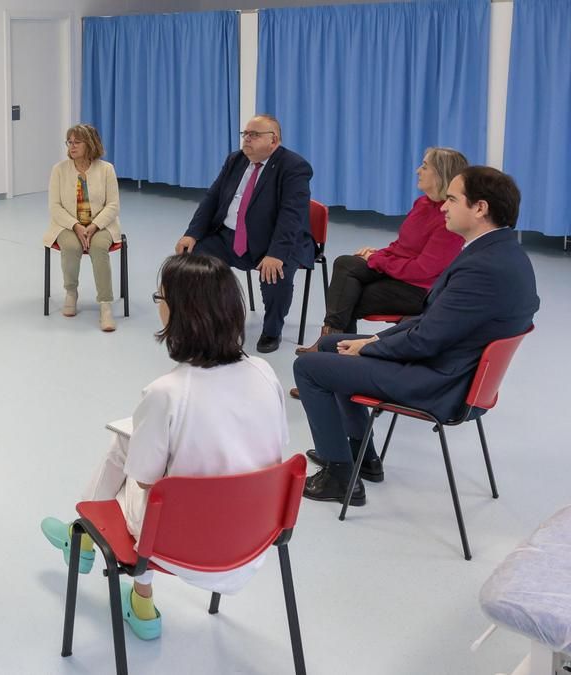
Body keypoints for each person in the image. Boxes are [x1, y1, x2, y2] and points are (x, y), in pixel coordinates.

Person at [40, 254, 287, 640]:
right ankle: (89, 545)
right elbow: (273, 448)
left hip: (183, 546)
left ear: (179, 312)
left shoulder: (165, 394)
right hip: (256, 539)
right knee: (146, 458)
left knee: (130, 457)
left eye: (160, 298)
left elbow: (143, 483)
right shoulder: (265, 373)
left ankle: (86, 539)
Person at [294, 166, 539, 506]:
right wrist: (374, 342)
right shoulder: (505, 254)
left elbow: (426, 340)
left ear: (480, 208)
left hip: (439, 381)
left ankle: (339, 475)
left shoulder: (481, 268)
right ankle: (361, 457)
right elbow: (433, 322)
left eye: (452, 199)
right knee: (331, 344)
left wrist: (371, 350)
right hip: (454, 366)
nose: (443, 207)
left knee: (310, 368)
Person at [297, 147, 469, 353]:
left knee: (347, 296)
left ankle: (330, 350)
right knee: (346, 263)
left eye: (424, 166)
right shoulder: (422, 203)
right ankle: (335, 351)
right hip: (397, 273)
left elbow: (423, 269)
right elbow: (403, 245)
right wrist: (379, 254)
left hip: (418, 289)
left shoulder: (449, 221)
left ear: (441, 174)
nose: (417, 171)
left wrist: (378, 261)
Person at [175, 114, 314, 353]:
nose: (247, 139)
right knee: (193, 257)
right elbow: (212, 198)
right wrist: (192, 233)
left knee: (275, 274)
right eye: (245, 134)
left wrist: (276, 253)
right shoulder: (236, 160)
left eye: (254, 135)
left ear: (274, 140)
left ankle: (272, 330)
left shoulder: (294, 167)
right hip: (230, 236)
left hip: (276, 241)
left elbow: (292, 216)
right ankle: (208, 320)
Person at [44, 123, 122, 331]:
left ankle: (105, 304)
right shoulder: (59, 170)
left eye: (77, 142)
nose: (72, 146)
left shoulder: (106, 169)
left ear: (90, 144)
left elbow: (113, 205)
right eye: (69, 142)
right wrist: (76, 225)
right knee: (70, 247)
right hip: (68, 224)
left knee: (98, 247)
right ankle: (71, 292)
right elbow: (54, 206)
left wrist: (94, 225)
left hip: (101, 224)